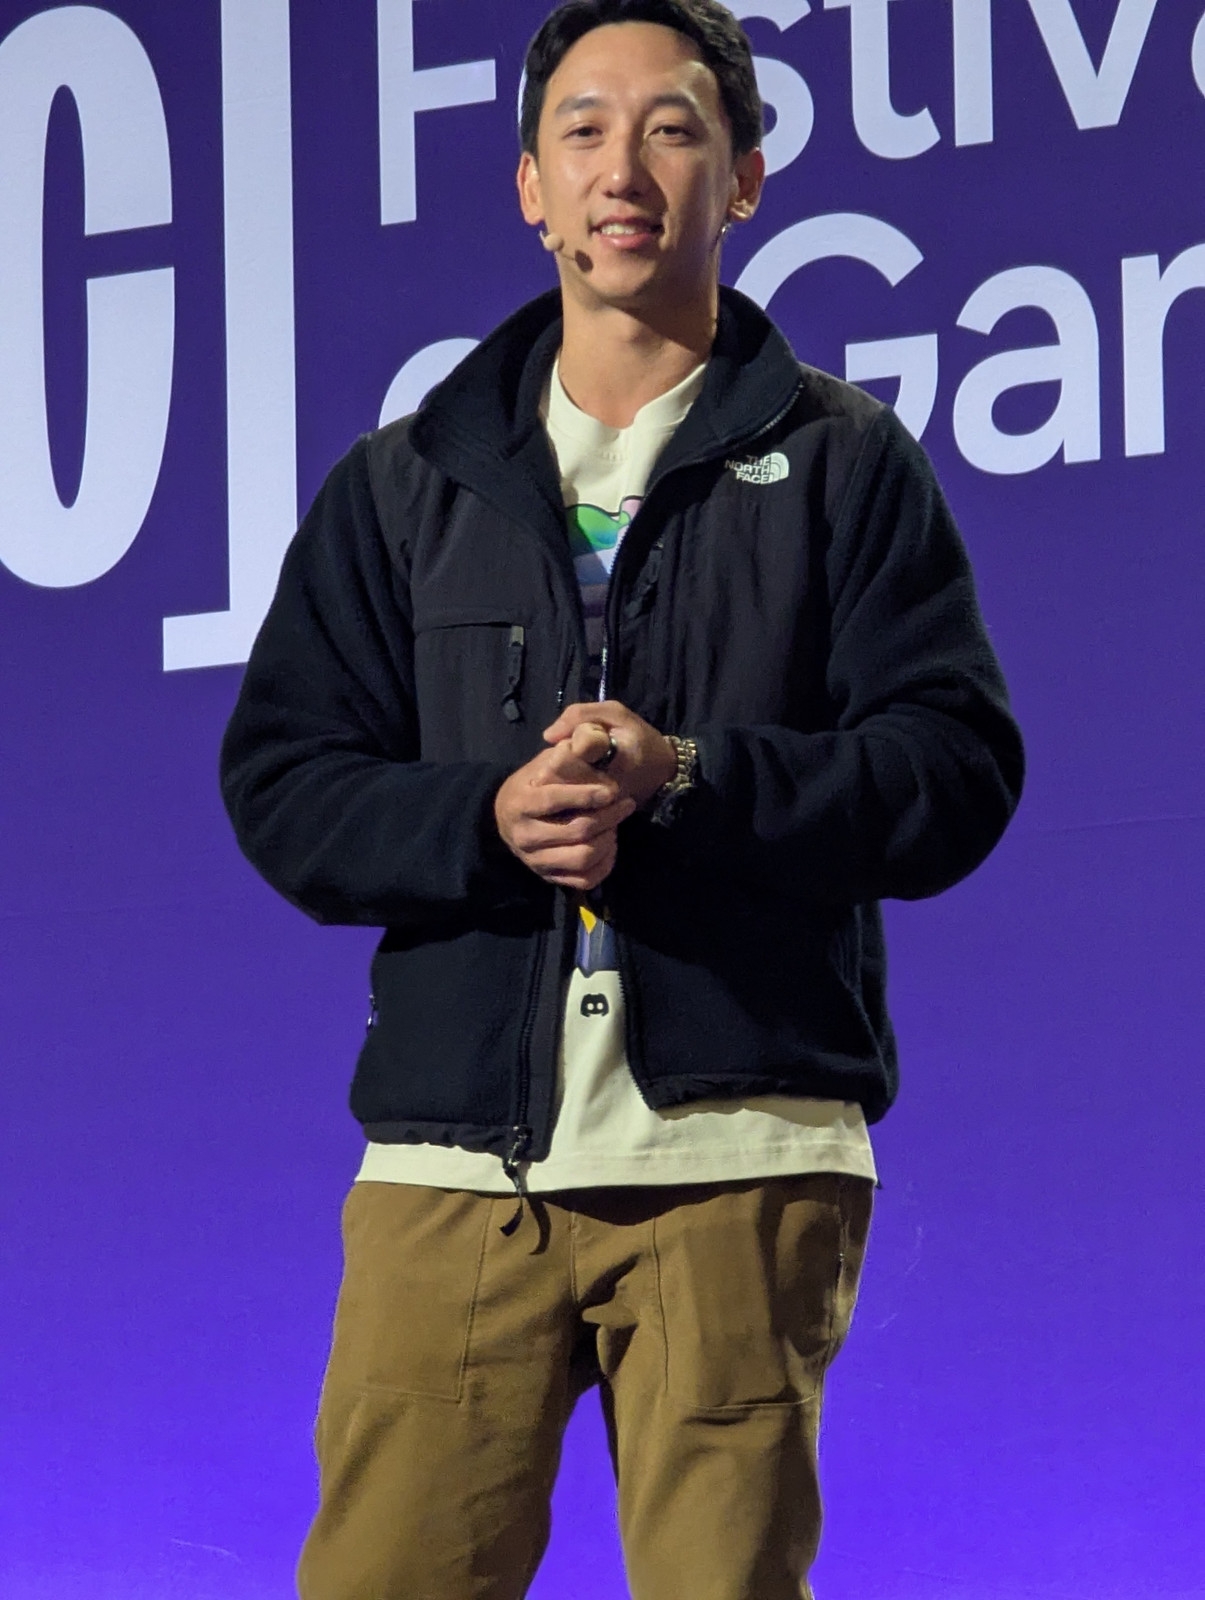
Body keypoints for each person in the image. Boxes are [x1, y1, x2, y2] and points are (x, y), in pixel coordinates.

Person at [220, 1, 1024, 1595]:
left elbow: (950, 771)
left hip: (742, 1154)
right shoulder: (404, 481)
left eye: (671, 128)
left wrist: (690, 776)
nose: (622, 169)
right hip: (459, 1170)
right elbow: (287, 784)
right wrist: (483, 821)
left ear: (744, 178)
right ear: (530, 185)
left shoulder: (844, 460)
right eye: (581, 130)